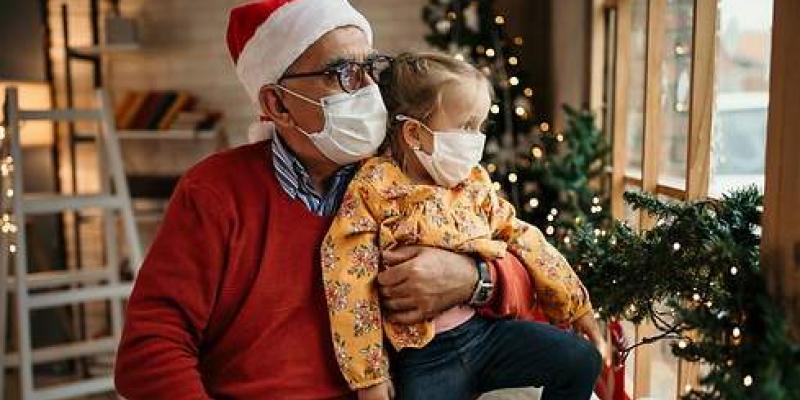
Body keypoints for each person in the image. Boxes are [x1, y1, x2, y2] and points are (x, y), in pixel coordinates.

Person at [114, 1, 556, 399]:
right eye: (342, 73)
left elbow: (526, 263)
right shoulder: (214, 193)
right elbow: (149, 351)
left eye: (370, 68)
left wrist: (474, 278)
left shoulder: (412, 174)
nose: (367, 88)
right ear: (278, 105)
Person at [322, 52, 606, 400]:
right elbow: (349, 280)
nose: (476, 138)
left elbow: (521, 236)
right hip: (423, 359)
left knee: (579, 360)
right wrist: (369, 378)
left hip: (485, 335)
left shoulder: (471, 183)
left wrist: (576, 304)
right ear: (414, 133)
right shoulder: (374, 188)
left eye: (480, 127)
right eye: (467, 126)